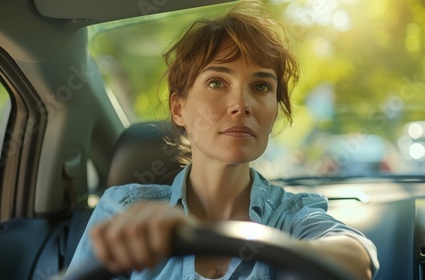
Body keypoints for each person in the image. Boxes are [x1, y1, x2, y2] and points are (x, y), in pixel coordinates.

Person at [67, 1, 379, 279]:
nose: (241, 105)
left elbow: (355, 261)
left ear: (275, 110)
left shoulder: (291, 213)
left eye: (260, 87)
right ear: (179, 109)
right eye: (217, 82)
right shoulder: (124, 209)